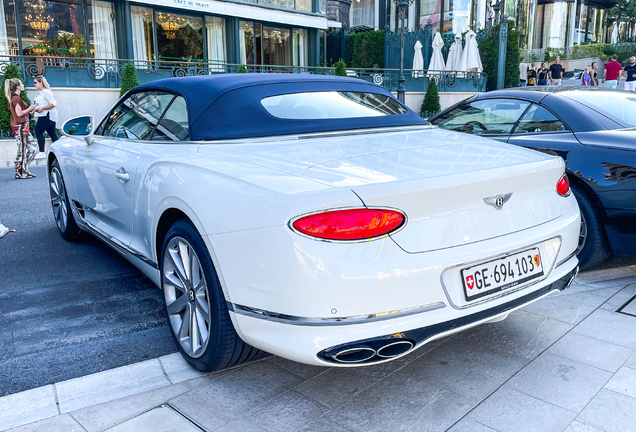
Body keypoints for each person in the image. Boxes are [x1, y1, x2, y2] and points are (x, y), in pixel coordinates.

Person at [5, 78, 37, 179]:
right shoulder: (16, 99)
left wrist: (32, 112)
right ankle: (20, 172)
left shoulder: (14, 98)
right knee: (22, 149)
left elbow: (22, 114)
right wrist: (30, 108)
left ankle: (24, 169)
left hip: (21, 126)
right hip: (20, 127)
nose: (23, 85)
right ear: (17, 87)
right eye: (21, 84)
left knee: (33, 148)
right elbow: (19, 114)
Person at [33, 75, 59, 155]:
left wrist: (43, 108)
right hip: (44, 115)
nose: (34, 84)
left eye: (36, 82)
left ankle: (41, 151)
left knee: (38, 131)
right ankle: (58, 150)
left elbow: (53, 103)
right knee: (52, 133)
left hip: (47, 115)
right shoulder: (40, 93)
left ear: (41, 82)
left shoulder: (46, 92)